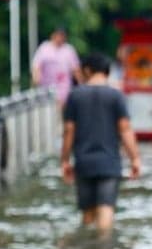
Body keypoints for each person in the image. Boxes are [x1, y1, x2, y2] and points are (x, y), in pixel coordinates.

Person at [60, 52, 142, 234]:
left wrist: (64, 160)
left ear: (87, 70)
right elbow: (125, 129)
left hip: (83, 162)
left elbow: (68, 131)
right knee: (106, 209)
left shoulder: (75, 96)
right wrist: (135, 159)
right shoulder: (116, 96)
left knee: (87, 214)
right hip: (109, 163)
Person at [31, 27, 81, 107]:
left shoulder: (68, 50)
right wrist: (36, 79)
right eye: (58, 36)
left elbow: (75, 69)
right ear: (53, 35)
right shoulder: (44, 48)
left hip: (64, 87)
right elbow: (36, 66)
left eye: (62, 36)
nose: (60, 38)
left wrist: (81, 84)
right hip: (47, 87)